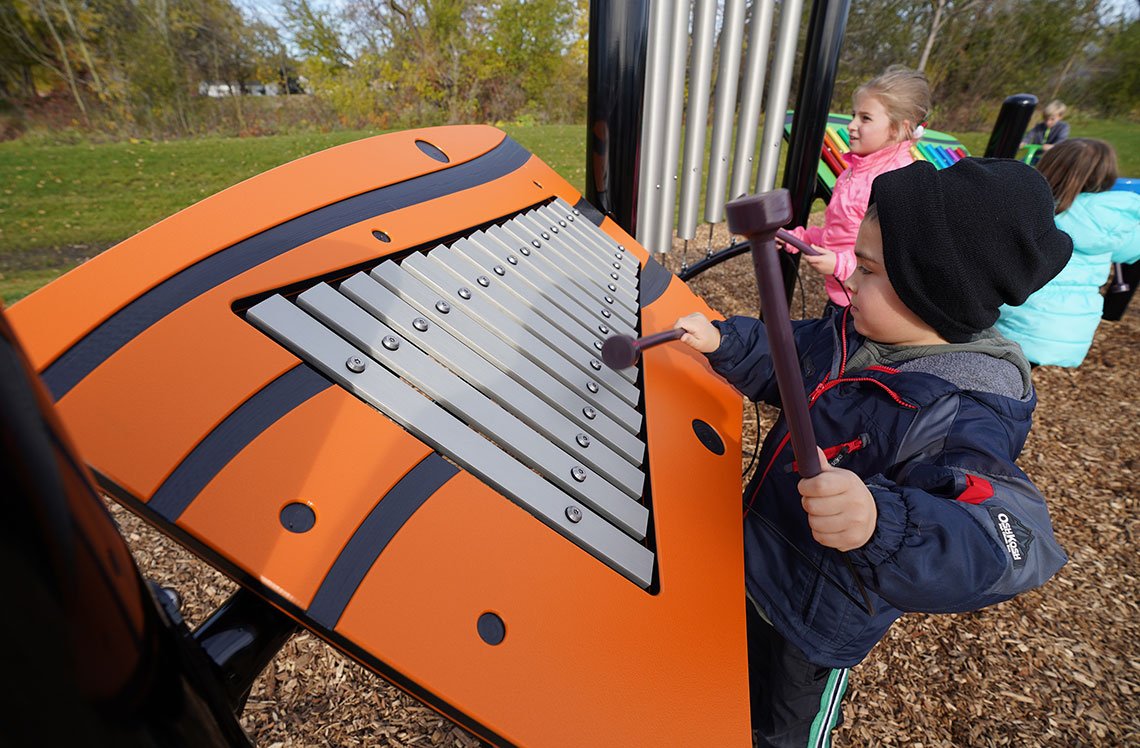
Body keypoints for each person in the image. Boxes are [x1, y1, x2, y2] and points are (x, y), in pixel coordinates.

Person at [675, 158, 1071, 747]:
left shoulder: (965, 407)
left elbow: (1009, 535)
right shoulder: (855, 333)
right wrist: (726, 341)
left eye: (866, 269)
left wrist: (880, 522)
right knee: (726, 688)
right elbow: (788, 356)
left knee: (781, 728)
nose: (848, 281)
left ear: (933, 289)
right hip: (755, 560)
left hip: (816, 620)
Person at [783, 66, 930, 312]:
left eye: (865, 118)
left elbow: (894, 258)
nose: (851, 125)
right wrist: (797, 239)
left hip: (871, 307)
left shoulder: (895, 182)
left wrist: (841, 265)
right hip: (844, 295)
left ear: (896, 128)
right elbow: (841, 232)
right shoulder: (853, 171)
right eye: (854, 115)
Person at [996, 139, 1140, 367]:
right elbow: (1131, 252)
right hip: (1071, 331)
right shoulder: (1116, 218)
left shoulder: (1038, 207)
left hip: (1016, 324)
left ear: (1051, 166)